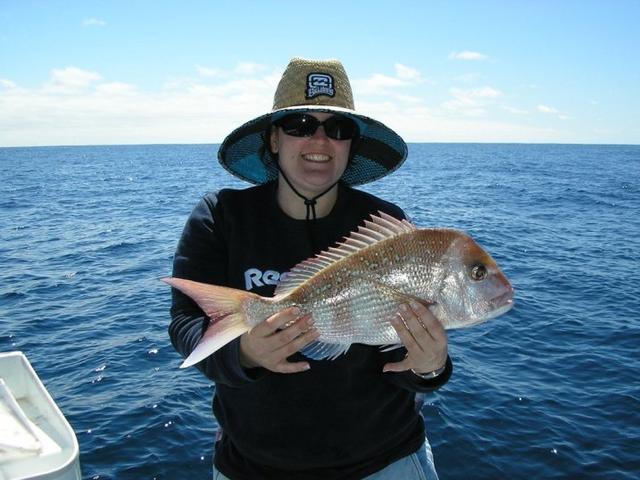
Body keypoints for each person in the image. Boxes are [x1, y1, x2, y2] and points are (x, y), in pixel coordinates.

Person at [169, 57, 452, 480]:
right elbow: (187, 328)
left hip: (388, 460)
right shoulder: (221, 216)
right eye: (301, 124)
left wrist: (430, 365)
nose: (320, 139)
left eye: (339, 129)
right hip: (253, 467)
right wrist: (245, 354)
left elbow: (399, 357)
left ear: (351, 146)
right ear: (273, 139)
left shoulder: (385, 225)